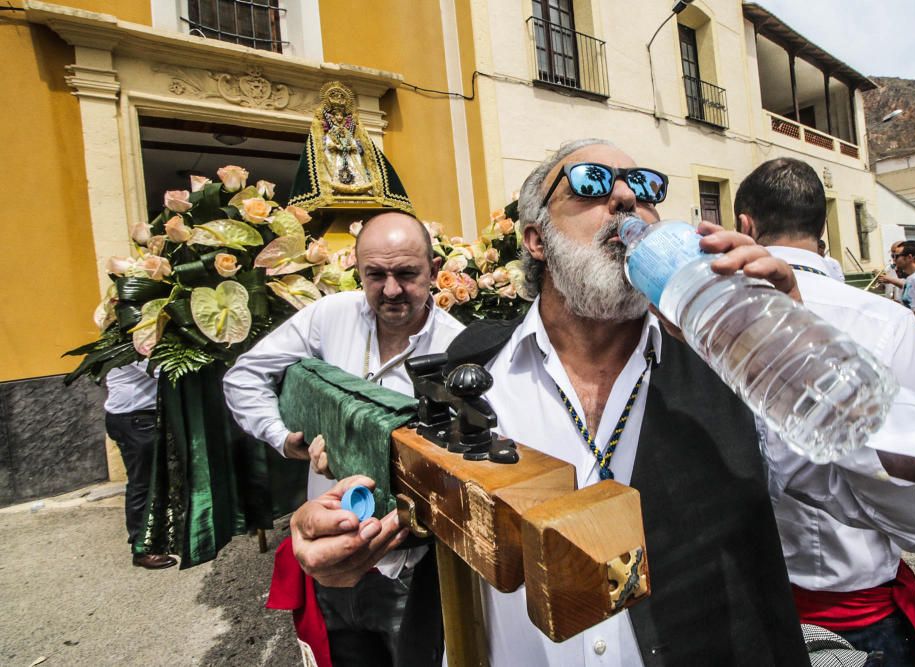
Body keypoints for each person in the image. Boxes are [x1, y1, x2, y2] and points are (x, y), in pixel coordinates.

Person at [294, 139, 812, 666]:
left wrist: (793, 359)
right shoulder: (471, 363)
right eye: (589, 183)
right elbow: (432, 526)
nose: (625, 200)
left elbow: (865, 497)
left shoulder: (732, 361)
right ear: (537, 241)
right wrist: (350, 548)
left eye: (646, 188)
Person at [735, 157, 915, 666]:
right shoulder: (891, 323)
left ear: (745, 225)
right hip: (855, 608)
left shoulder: (710, 319)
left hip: (740, 603)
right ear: (822, 227)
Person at [224, 211, 464, 666]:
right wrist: (284, 438)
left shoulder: (461, 348)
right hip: (332, 556)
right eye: (376, 274)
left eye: (407, 274)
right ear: (358, 272)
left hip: (409, 567)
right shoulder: (330, 316)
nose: (391, 289)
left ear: (434, 270)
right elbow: (243, 377)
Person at [103, 360, 177, 569]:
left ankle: (159, 538)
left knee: (157, 480)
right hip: (136, 419)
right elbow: (160, 369)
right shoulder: (133, 336)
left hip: (143, 416)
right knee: (143, 483)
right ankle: (142, 549)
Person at [878, 240, 915, 319]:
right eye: (892, 256)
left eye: (896, 256)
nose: (894, 260)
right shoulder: (911, 278)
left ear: (909, 257)